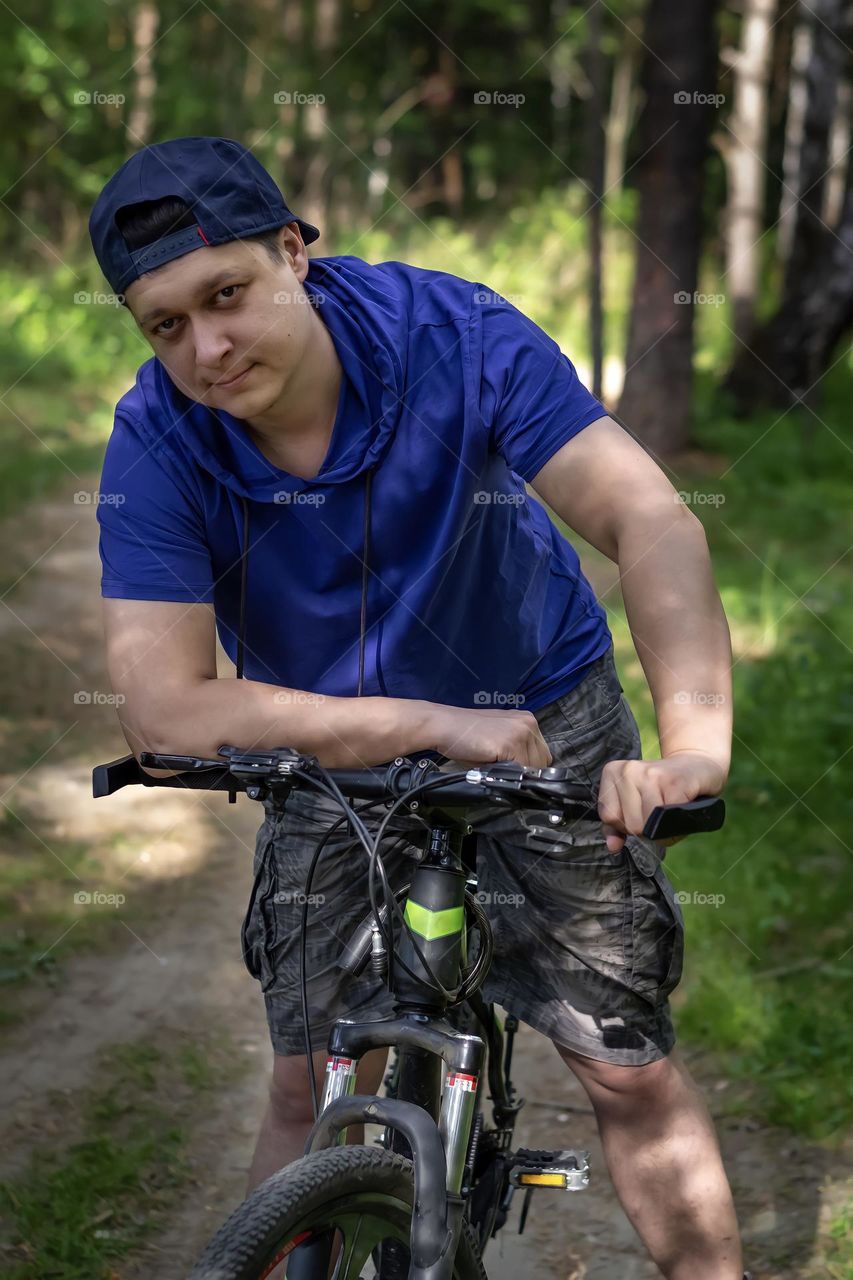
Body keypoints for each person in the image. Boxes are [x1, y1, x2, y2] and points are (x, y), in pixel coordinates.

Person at [88, 136, 747, 1278]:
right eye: (165, 324)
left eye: (227, 294)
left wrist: (692, 746)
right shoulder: (157, 436)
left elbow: (650, 520)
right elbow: (165, 708)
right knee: (304, 1087)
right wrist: (428, 722)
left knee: (623, 1067)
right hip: (330, 747)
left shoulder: (457, 337)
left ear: (294, 251)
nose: (207, 347)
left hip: (542, 704)